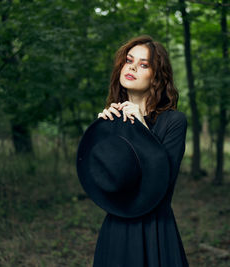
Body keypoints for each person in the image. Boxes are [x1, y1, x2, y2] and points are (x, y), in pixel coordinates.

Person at [94, 35, 189, 266]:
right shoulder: (112, 121)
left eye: (144, 64)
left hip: (156, 230)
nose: (133, 67)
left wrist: (142, 128)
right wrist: (98, 136)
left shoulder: (174, 121)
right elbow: (103, 186)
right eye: (129, 60)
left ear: (156, 77)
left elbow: (162, 186)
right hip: (117, 230)